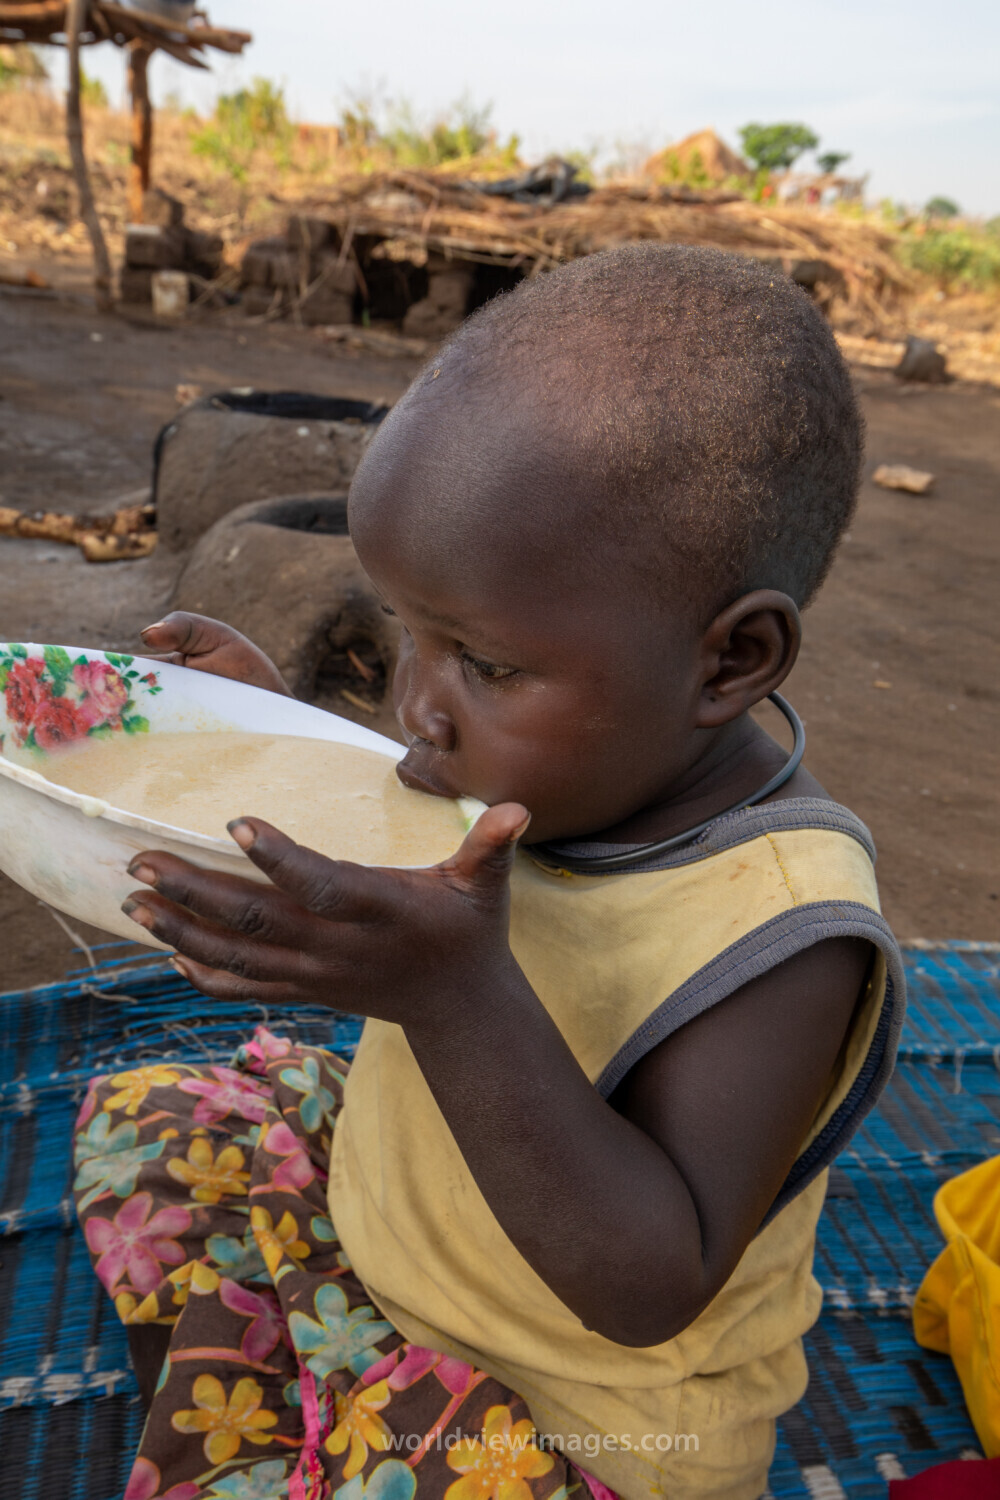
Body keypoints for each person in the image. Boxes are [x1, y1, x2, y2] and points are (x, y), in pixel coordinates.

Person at [74, 244, 904, 1500]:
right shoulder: (566, 755)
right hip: (399, 1240)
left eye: (485, 663)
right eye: (405, 631)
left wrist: (455, 999)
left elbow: (648, 1284)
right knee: (154, 1119)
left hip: (572, 1418)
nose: (415, 701)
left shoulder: (782, 927)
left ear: (730, 662)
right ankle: (303, 1382)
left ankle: (286, 1401)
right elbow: (381, 817)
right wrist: (270, 736)